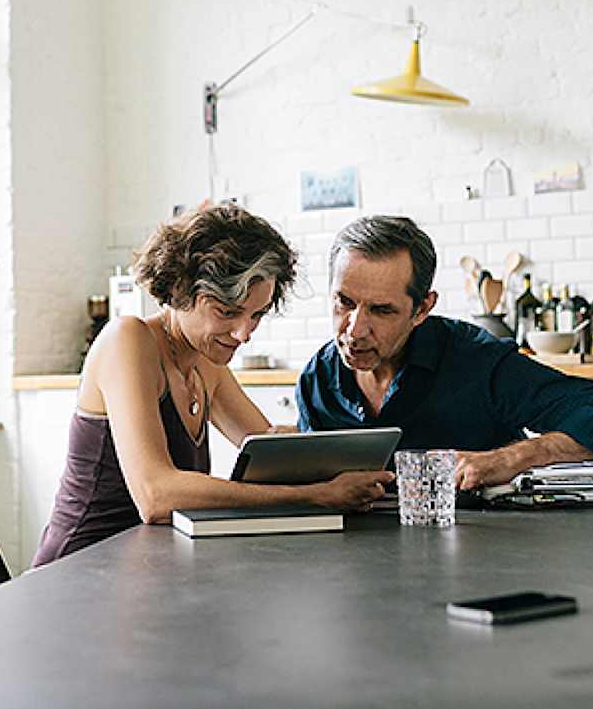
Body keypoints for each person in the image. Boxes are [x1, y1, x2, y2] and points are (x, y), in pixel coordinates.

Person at [33, 205, 394, 567]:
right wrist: (314, 495)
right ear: (179, 289)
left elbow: (269, 454)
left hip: (146, 568)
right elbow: (156, 496)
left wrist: (333, 457)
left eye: (256, 314)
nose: (244, 333)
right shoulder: (127, 340)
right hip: (78, 569)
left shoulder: (206, 362)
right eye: (226, 312)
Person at [295, 215, 593, 491]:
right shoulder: (317, 380)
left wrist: (512, 458)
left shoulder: (477, 363)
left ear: (422, 309)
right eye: (344, 302)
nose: (355, 330)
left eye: (382, 310)